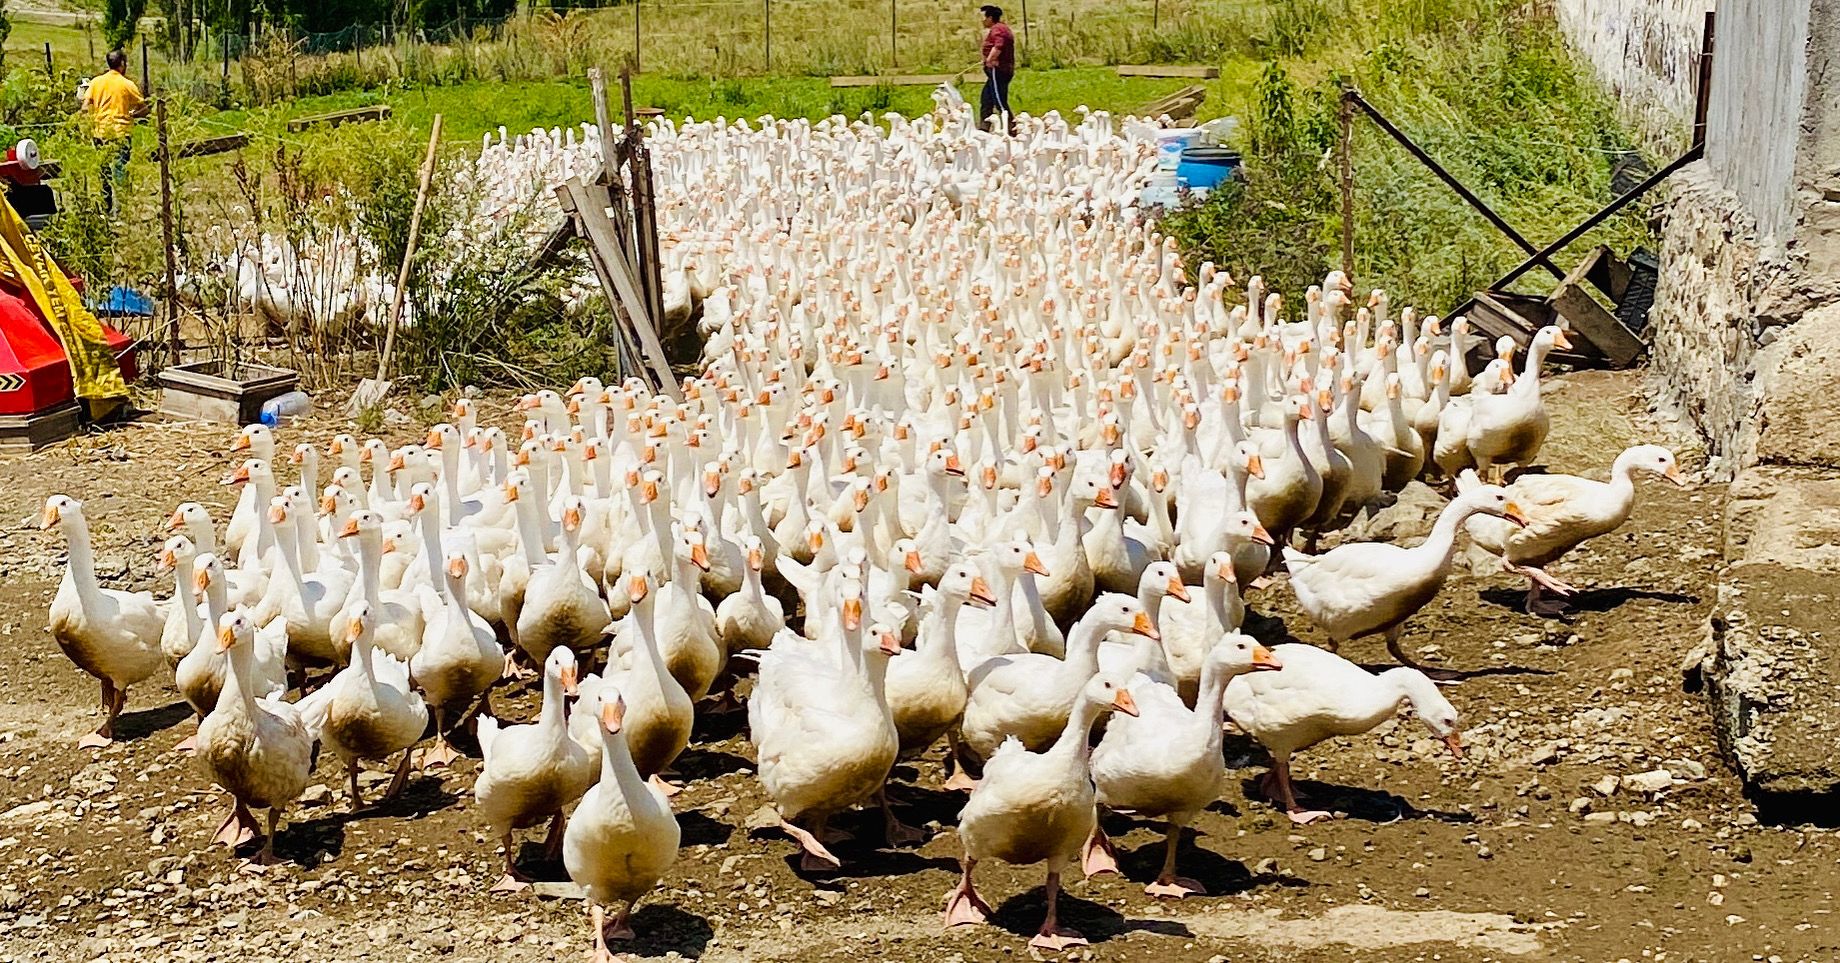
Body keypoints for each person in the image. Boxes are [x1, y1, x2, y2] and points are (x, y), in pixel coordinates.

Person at [81, 50, 146, 216]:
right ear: (122, 64)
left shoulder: (96, 83)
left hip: (100, 133)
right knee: (120, 170)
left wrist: (90, 121)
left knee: (104, 172)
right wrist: (134, 114)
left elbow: (85, 105)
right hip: (120, 132)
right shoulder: (127, 84)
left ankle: (107, 206)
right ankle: (123, 209)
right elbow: (143, 107)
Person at [978, 5, 1016, 135]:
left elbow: (999, 45)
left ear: (990, 18)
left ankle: (1012, 127)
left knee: (999, 100)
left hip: (997, 70)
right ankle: (984, 129)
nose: (982, 21)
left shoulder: (998, 29)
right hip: (995, 71)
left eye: (983, 18)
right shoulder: (998, 29)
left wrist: (990, 59)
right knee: (986, 99)